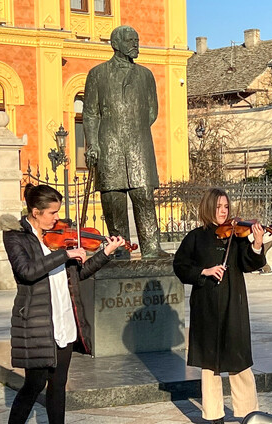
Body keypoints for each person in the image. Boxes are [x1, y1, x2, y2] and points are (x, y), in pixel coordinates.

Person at [0, 184, 127, 424]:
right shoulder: (15, 236)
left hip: (63, 317)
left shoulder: (55, 240)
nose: (57, 219)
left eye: (58, 212)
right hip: (36, 321)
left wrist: (106, 252)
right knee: (33, 385)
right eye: (52, 213)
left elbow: (79, 273)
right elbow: (27, 272)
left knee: (59, 382)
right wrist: (64, 254)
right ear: (35, 212)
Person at [172, 188, 266, 424]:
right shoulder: (195, 237)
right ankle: (214, 417)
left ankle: (248, 413)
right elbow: (180, 266)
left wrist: (256, 244)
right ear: (208, 208)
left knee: (239, 360)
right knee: (209, 364)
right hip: (206, 306)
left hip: (233, 303)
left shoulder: (237, 236)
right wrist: (203, 271)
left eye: (226, 206)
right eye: (218, 207)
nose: (223, 211)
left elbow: (249, 263)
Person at [83, 25, 166, 259]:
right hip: (109, 145)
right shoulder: (97, 74)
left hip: (138, 145)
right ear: (115, 44)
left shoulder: (145, 75)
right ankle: (119, 250)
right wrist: (94, 144)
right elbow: (90, 114)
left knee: (144, 196)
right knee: (112, 200)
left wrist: (132, 128)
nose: (135, 44)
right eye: (130, 40)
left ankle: (151, 249)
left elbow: (152, 111)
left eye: (137, 40)